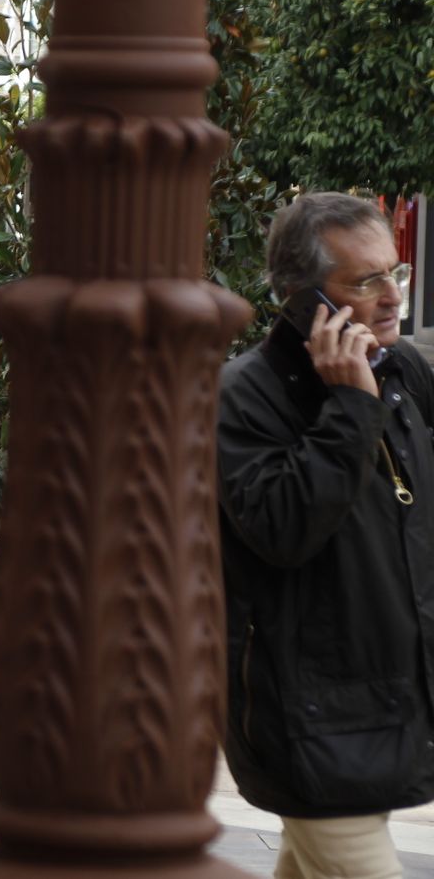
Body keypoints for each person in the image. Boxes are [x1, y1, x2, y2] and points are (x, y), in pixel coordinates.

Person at [219, 192, 434, 879]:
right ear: (304, 297)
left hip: (389, 703)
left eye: (393, 274)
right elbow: (283, 528)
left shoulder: (405, 374)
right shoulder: (242, 398)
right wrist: (348, 407)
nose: (390, 296)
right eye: (364, 281)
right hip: (308, 721)